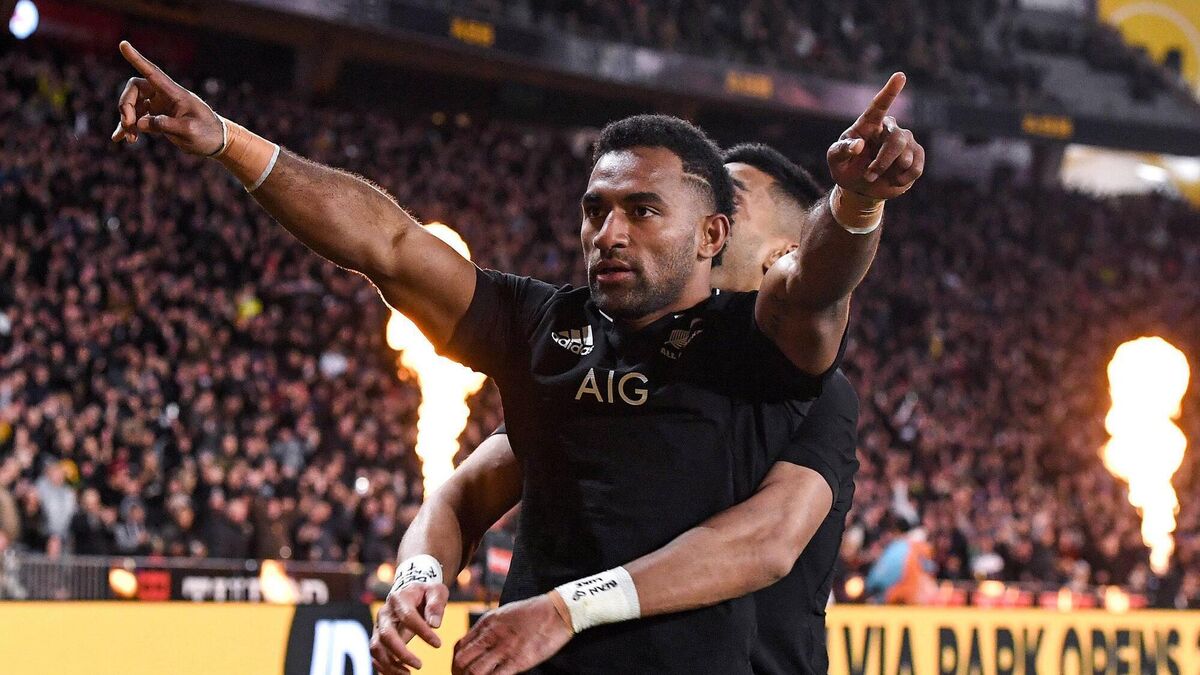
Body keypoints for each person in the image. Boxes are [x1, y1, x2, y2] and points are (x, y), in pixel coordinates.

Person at [112, 40, 919, 673]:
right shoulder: (548, 327)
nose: (609, 233)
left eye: (643, 211)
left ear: (715, 235)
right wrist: (228, 141)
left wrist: (856, 202)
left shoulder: (759, 351)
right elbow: (388, 246)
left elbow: (766, 534)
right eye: (596, 210)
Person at [398, 143, 877, 675]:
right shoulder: (625, 357)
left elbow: (767, 541)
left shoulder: (818, 389)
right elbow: (465, 492)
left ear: (782, 256)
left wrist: (567, 608)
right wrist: (418, 572)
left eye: (729, 200)